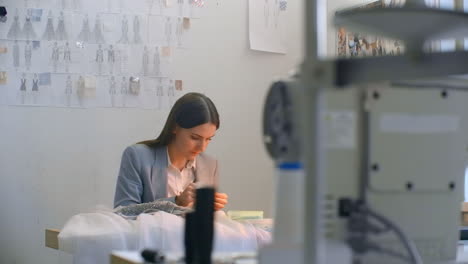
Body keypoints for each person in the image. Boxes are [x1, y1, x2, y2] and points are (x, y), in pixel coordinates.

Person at [114, 92, 228, 211]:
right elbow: (124, 211)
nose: (202, 148)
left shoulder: (210, 165)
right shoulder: (137, 156)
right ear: (175, 127)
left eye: (208, 139)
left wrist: (210, 208)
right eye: (195, 137)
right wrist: (177, 201)